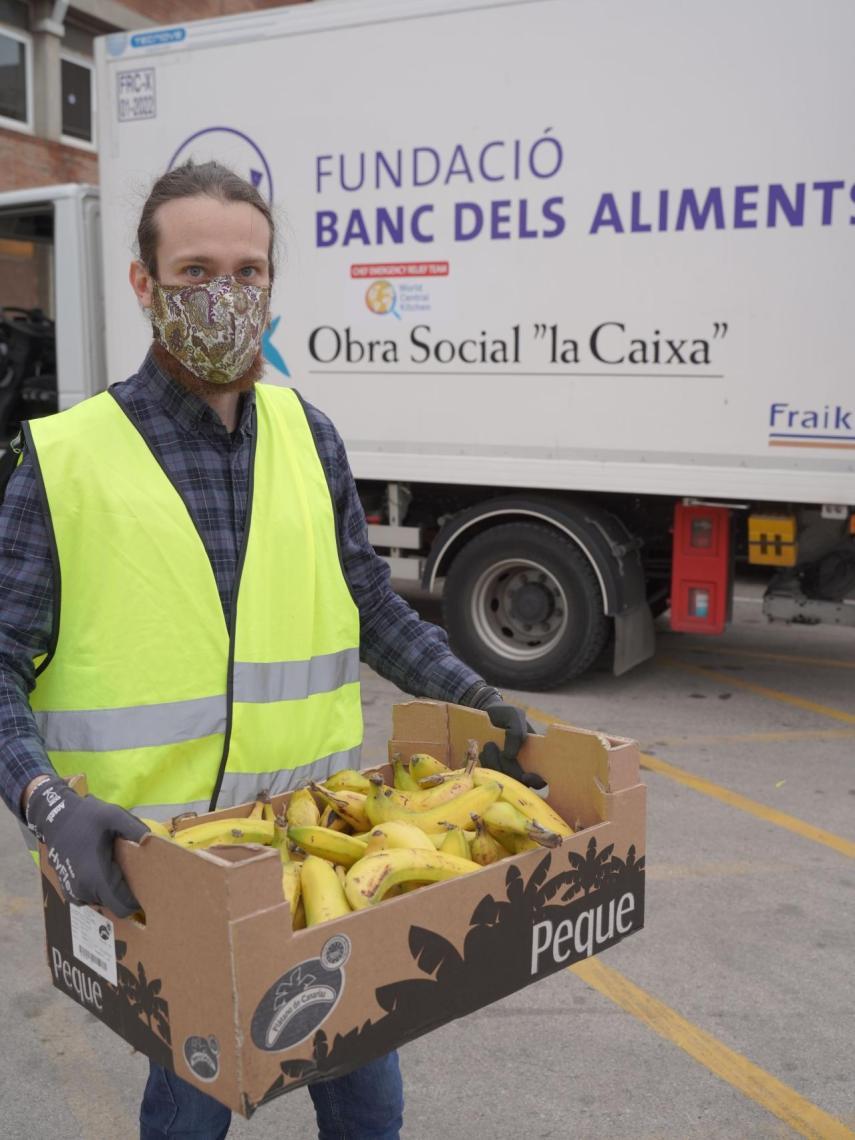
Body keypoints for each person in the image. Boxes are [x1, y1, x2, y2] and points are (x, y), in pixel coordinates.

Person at [0, 160, 531, 1139]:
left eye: (247, 273)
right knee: (196, 1101)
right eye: (196, 268)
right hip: (163, 870)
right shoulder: (67, 460)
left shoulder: (308, 435)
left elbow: (369, 601)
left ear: (272, 288)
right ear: (143, 284)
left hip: (323, 853)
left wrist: (478, 698)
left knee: (369, 1100)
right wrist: (46, 802)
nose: (224, 294)